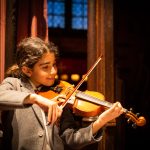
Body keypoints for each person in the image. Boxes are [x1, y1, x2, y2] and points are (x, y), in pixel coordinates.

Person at [0, 37, 124, 150]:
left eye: (54, 65)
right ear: (27, 70)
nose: (53, 71)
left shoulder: (61, 94)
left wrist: (100, 122)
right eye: (45, 67)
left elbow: (70, 139)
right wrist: (35, 99)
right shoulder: (14, 85)